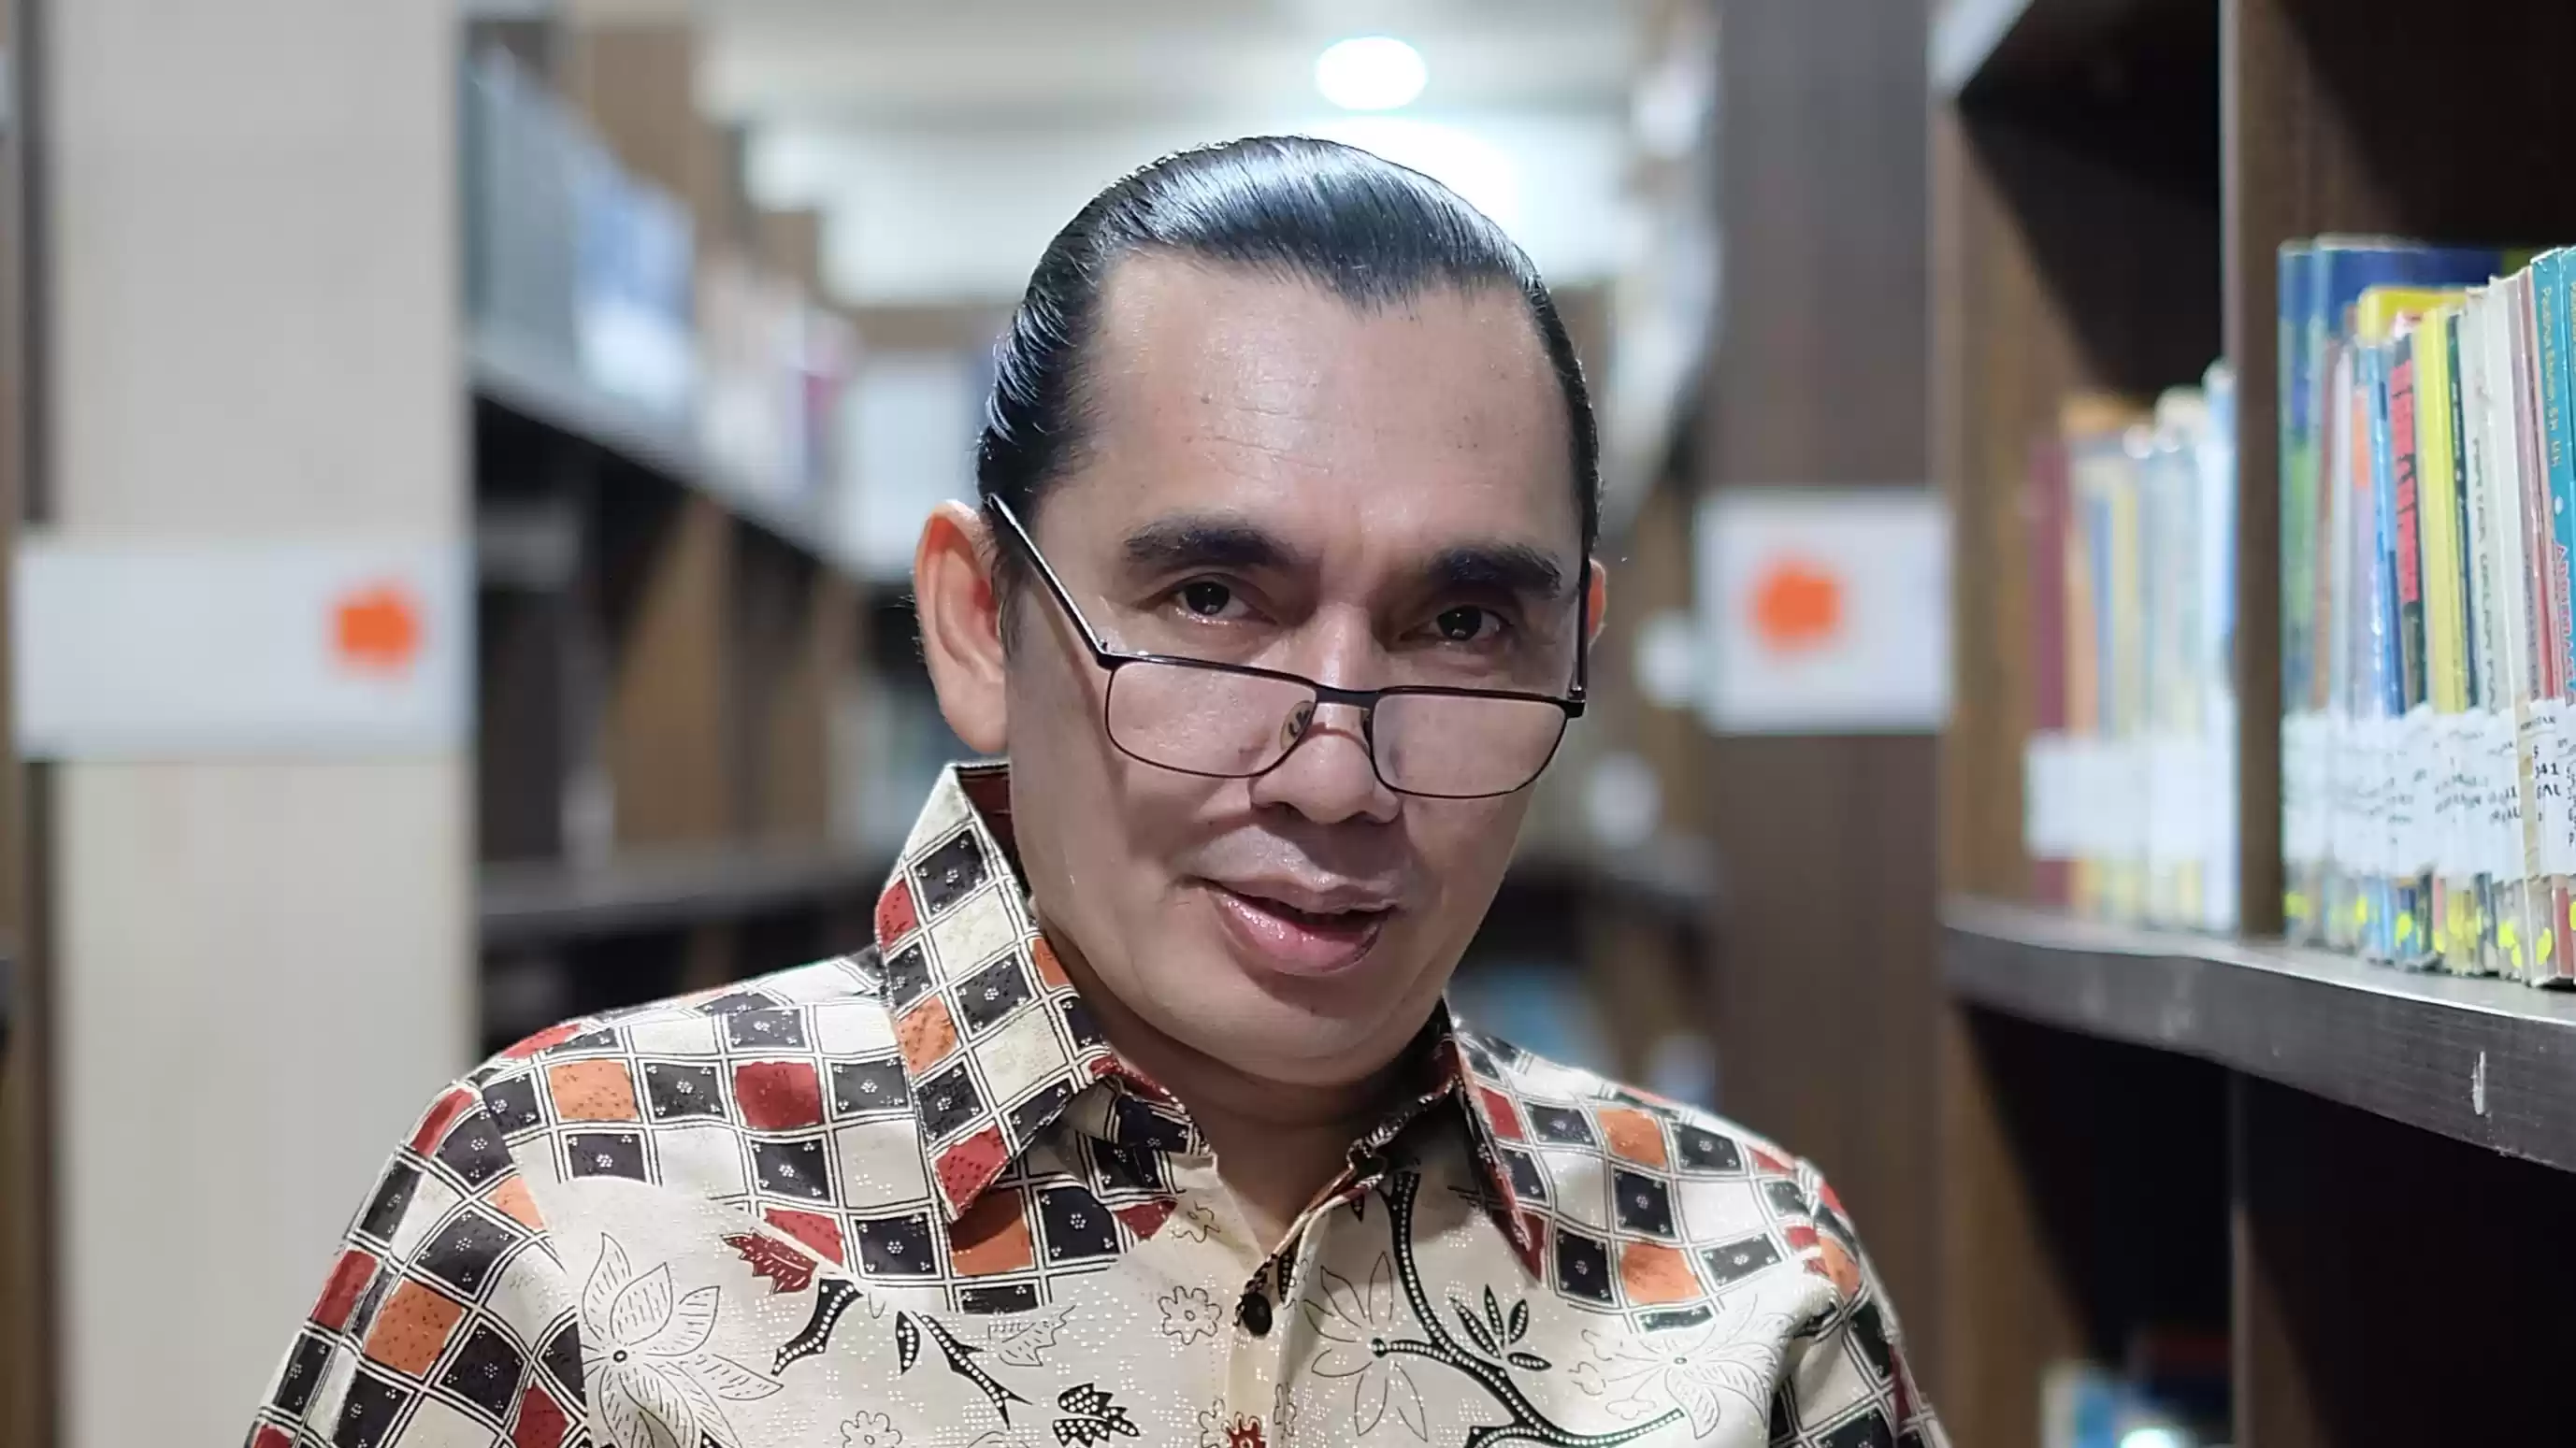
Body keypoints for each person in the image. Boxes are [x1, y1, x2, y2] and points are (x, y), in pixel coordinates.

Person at [246, 136, 1942, 1448]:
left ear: (1576, 649)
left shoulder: (1749, 1275)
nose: (1336, 776)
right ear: (976, 622)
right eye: (1211, 602)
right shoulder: (571, 1214)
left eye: (1459, 626)